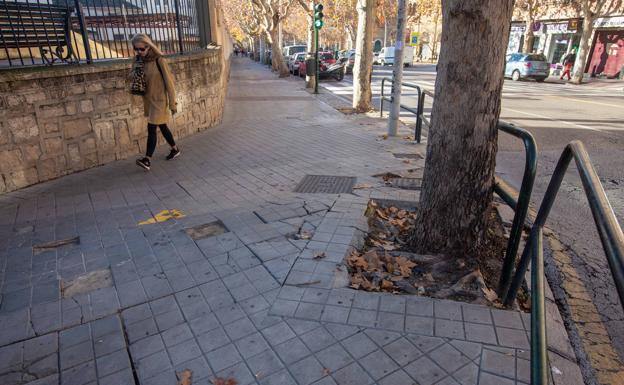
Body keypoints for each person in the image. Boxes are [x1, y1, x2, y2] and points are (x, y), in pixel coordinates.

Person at [130, 34, 180, 171]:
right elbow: (132, 78)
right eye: (136, 49)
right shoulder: (138, 60)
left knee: (151, 128)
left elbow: (169, 83)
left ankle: (147, 159)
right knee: (163, 127)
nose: (139, 52)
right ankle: (175, 149)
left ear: (148, 46)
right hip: (148, 100)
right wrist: (136, 68)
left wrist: (172, 103)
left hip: (159, 100)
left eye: (141, 49)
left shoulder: (159, 60)